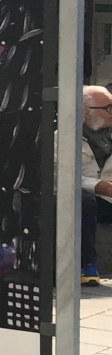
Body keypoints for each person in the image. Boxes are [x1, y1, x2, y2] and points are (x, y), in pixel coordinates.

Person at [83, 85, 112, 284]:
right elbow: (57, 175)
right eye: (108, 107)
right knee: (84, 202)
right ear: (87, 111)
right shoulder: (60, 135)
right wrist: (97, 185)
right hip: (77, 196)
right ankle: (88, 265)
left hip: (106, 197)